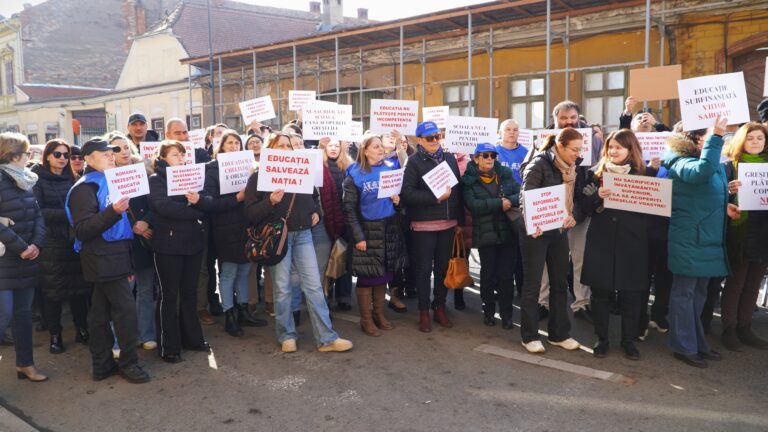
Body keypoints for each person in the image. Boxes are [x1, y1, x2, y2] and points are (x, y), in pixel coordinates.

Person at [244, 132, 352, 353]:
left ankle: (326, 338)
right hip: (278, 238)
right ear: (270, 149)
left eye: (288, 146)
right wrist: (270, 202)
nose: (286, 149)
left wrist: (314, 212)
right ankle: (286, 335)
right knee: (282, 289)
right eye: (280, 145)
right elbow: (250, 214)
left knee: (313, 287)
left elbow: (312, 197)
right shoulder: (258, 177)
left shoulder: (301, 171)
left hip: (303, 235)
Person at [65, 138, 150, 383]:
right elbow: (83, 230)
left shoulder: (109, 181)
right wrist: (113, 211)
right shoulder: (84, 188)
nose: (111, 157)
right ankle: (129, 363)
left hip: (115, 254)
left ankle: (101, 365)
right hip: (101, 257)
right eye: (105, 154)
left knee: (100, 313)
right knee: (126, 311)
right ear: (88, 159)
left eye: (112, 153)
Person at [663, 117, 733, 368]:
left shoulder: (710, 160)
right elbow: (700, 175)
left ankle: (697, 343)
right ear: (696, 138)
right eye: (711, 135)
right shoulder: (681, 161)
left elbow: (708, 194)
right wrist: (717, 138)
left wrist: (727, 206)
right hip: (690, 238)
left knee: (699, 294)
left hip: (706, 237)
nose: (720, 139)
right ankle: (683, 346)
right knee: (685, 293)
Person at [579, 130, 654, 360]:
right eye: (610, 147)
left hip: (632, 243)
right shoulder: (595, 174)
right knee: (600, 293)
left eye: (618, 148)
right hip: (602, 241)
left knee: (631, 295)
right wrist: (597, 197)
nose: (613, 151)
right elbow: (583, 207)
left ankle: (628, 341)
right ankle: (601, 339)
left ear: (631, 150)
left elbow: (655, 208)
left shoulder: (646, 174)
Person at [518, 128, 582, 354]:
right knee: (533, 285)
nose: (577, 154)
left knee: (559, 283)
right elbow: (525, 196)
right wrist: (531, 223)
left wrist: (573, 214)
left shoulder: (572, 167)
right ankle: (529, 336)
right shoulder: (539, 164)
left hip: (559, 231)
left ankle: (559, 334)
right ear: (560, 146)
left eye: (580, 149)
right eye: (574, 149)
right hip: (535, 232)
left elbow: (573, 198)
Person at [537, 101, 601, 322]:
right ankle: (542, 302)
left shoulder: (592, 140)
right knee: (546, 261)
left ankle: (581, 303)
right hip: (550, 212)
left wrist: (584, 205)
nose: (568, 121)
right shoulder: (542, 142)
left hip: (580, 211)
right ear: (555, 120)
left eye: (572, 117)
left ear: (578, 117)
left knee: (580, 259)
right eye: (563, 118)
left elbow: (598, 171)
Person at [148, 141, 211, 362]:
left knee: (189, 293)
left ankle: (192, 339)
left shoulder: (192, 176)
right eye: (175, 155)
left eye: (183, 154)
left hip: (193, 243)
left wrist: (199, 202)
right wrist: (194, 211)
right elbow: (162, 207)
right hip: (169, 245)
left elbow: (208, 202)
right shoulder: (156, 180)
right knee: (169, 295)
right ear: (163, 157)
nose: (181, 158)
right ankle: (169, 346)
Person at [201, 130, 267, 336]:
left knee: (245, 271)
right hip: (224, 227)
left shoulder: (250, 167)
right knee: (229, 272)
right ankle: (229, 315)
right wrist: (236, 199)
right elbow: (209, 202)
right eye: (229, 143)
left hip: (246, 225)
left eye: (237, 143)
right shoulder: (212, 169)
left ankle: (243, 310)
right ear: (221, 147)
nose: (234, 146)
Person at [342, 134, 408, 336]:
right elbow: (349, 210)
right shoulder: (354, 174)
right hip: (367, 231)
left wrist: (398, 202)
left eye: (382, 146)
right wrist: (359, 237)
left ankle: (379, 314)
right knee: (367, 277)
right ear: (365, 150)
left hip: (388, 230)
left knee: (383, 275)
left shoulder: (390, 169)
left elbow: (401, 204)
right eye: (376, 146)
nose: (381, 149)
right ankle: (366, 320)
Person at [401, 121, 464, 333]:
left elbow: (458, 190)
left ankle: (439, 306)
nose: (435, 141)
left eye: (437, 136)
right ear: (419, 140)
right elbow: (407, 194)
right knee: (423, 270)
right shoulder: (413, 162)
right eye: (430, 138)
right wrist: (435, 197)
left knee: (442, 269)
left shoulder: (449, 158)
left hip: (448, 224)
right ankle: (423, 311)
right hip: (423, 226)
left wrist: (459, 221)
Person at [32, 139, 91, 354]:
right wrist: (69, 215)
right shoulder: (37, 179)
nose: (63, 159)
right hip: (51, 242)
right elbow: (39, 211)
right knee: (53, 291)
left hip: (73, 240)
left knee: (78, 289)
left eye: (66, 155)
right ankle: (55, 335)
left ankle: (82, 329)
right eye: (58, 154)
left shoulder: (72, 178)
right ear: (47, 155)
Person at [0, 132, 48, 382]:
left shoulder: (27, 180)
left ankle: (25, 365)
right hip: (5, 260)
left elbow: (38, 214)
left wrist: (36, 243)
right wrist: (21, 247)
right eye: (27, 154)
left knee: (23, 315)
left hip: (26, 258)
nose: (30, 158)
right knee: (3, 316)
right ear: (15, 156)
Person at [721, 122, 768, 351]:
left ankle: (745, 326)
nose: (756, 142)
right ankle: (729, 328)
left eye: (760, 138)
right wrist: (728, 190)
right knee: (736, 283)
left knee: (753, 284)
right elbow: (717, 196)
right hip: (740, 230)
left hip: (764, 231)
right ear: (742, 141)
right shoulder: (731, 166)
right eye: (751, 139)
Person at [462, 143, 520, 329]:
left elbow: (519, 194)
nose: (489, 159)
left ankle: (507, 314)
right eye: (485, 155)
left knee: (506, 276)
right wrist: (498, 204)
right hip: (485, 235)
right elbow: (473, 205)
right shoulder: (469, 180)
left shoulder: (504, 174)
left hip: (508, 233)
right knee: (488, 275)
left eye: (492, 156)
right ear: (476, 158)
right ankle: (488, 312)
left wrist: (508, 201)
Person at [110, 132, 157, 350]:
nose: (124, 152)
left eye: (126, 147)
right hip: (122, 245)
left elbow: (154, 204)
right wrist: (133, 228)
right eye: (117, 149)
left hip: (144, 244)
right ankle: (119, 341)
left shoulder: (145, 172)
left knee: (146, 291)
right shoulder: (105, 177)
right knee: (123, 296)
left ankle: (145, 335)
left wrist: (146, 222)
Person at [495, 119, 528, 297]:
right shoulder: (493, 152)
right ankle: (500, 289)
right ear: (501, 132)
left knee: (519, 250)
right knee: (500, 251)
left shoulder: (526, 152)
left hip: (519, 206)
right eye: (508, 129)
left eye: (515, 129)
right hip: (497, 205)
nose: (512, 132)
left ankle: (522, 288)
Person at [320, 139, 351, 310]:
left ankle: (343, 296)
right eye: (330, 145)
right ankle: (326, 296)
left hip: (345, 219)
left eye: (336, 145)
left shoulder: (348, 166)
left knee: (342, 258)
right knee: (326, 261)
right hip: (326, 219)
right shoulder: (320, 165)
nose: (333, 148)